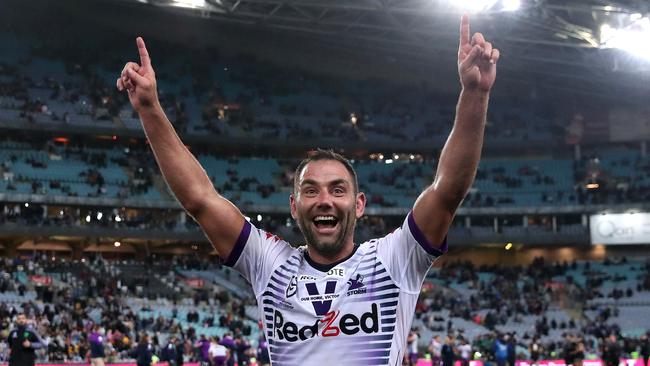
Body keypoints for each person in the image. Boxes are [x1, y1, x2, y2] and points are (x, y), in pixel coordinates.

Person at [116, 13, 499, 366]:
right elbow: (200, 198)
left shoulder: (394, 260)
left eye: (338, 189)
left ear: (359, 204)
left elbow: (447, 190)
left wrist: (475, 94)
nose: (325, 201)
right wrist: (149, 107)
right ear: (294, 206)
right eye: (311, 191)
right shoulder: (270, 264)